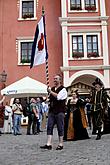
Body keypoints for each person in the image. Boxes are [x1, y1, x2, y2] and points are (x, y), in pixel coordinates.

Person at [40, 74, 67, 150]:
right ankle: (49, 144)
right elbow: (50, 99)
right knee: (49, 127)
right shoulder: (52, 89)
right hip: (52, 111)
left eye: (56, 79)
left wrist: (50, 92)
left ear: (60, 80)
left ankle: (60, 144)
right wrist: (46, 99)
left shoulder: (63, 89)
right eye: (54, 79)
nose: (55, 80)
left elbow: (58, 97)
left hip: (60, 111)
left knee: (60, 127)